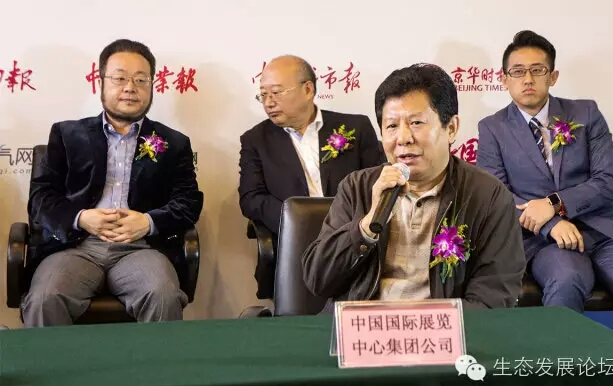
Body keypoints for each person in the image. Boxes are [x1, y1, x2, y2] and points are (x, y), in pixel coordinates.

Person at [302, 63, 525, 309]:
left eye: (417, 123)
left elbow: (493, 296)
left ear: (451, 128)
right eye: (391, 126)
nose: (403, 138)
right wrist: (366, 226)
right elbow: (318, 280)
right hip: (364, 327)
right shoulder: (357, 187)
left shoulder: (488, 196)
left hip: (441, 329)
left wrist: (436, 327)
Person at [22, 39, 204, 327]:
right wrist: (82, 218)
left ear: (152, 86)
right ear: (101, 82)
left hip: (141, 248)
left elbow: (188, 202)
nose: (130, 87)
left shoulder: (173, 142)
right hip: (76, 246)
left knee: (163, 295)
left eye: (140, 80)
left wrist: (148, 222)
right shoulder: (67, 135)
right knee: (45, 298)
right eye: (120, 78)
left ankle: (159, 361)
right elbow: (41, 199)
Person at [477, 30, 613, 341]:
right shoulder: (493, 128)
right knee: (567, 281)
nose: (528, 79)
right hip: (543, 239)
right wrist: (550, 223)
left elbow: (608, 179)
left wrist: (554, 204)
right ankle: (561, 368)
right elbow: (496, 196)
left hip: (602, 229)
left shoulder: (586, 113)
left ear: (553, 76)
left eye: (537, 70)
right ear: (504, 79)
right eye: (518, 71)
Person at [238, 55, 386, 299]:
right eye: (263, 95)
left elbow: (377, 184)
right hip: (294, 247)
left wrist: (348, 228)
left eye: (276, 93)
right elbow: (251, 198)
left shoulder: (356, 128)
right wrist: (298, 225)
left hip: (355, 240)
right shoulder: (255, 140)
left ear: (308, 90)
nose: (268, 102)